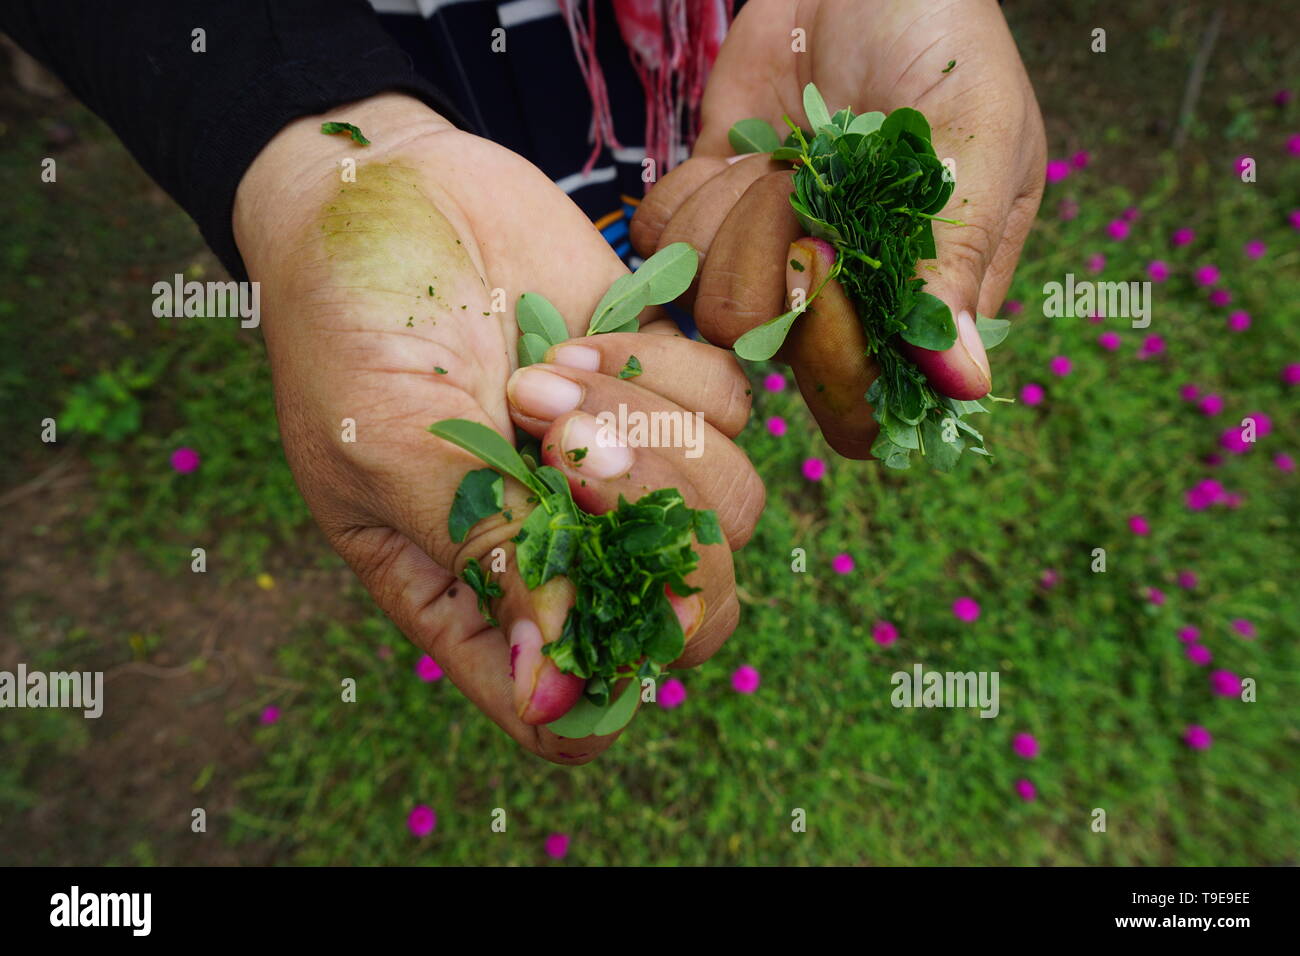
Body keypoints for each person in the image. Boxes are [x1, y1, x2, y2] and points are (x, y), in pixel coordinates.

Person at [2, 0, 1044, 763]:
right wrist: (306, 142)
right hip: (390, 49)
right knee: (566, 327)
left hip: (703, 59)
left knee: (655, 295)